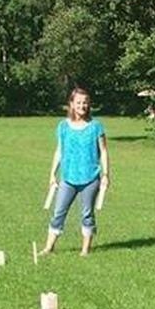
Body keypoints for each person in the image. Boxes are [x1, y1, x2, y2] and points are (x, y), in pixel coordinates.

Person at [41, 86, 109, 257]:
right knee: (58, 213)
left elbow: (104, 151)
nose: (82, 105)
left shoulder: (96, 127)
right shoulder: (63, 126)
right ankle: (49, 248)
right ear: (71, 104)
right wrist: (52, 174)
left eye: (85, 102)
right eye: (78, 102)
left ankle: (85, 251)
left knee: (87, 214)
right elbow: (59, 151)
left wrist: (106, 175)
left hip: (90, 178)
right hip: (68, 178)